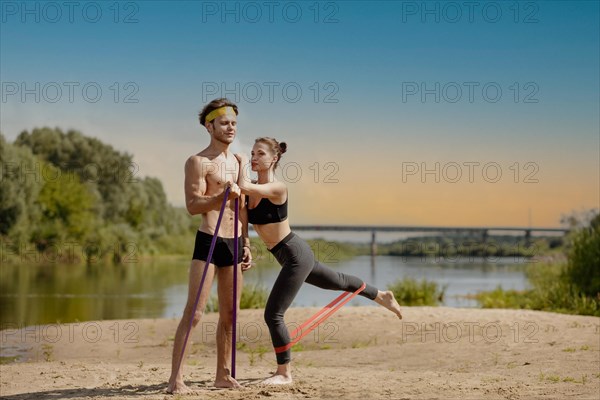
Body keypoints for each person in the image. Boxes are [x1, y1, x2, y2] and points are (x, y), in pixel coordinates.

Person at [236, 138, 402, 385]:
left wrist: (238, 164)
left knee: (273, 314)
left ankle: (284, 374)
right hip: (287, 255)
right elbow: (243, 219)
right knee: (337, 281)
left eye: (259, 153)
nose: (253, 157)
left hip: (294, 254)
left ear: (274, 158)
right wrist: (246, 246)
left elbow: (244, 186)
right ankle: (381, 295)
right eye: (251, 153)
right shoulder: (249, 193)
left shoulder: (277, 188)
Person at [167, 98, 252, 394]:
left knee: (231, 315)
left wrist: (246, 242)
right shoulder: (198, 162)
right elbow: (193, 205)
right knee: (195, 312)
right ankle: (176, 379)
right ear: (210, 126)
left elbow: (243, 208)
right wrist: (222, 197)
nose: (231, 128)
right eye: (225, 123)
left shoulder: (239, 161)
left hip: (234, 242)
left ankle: (223, 375)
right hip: (209, 241)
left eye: (234, 124)